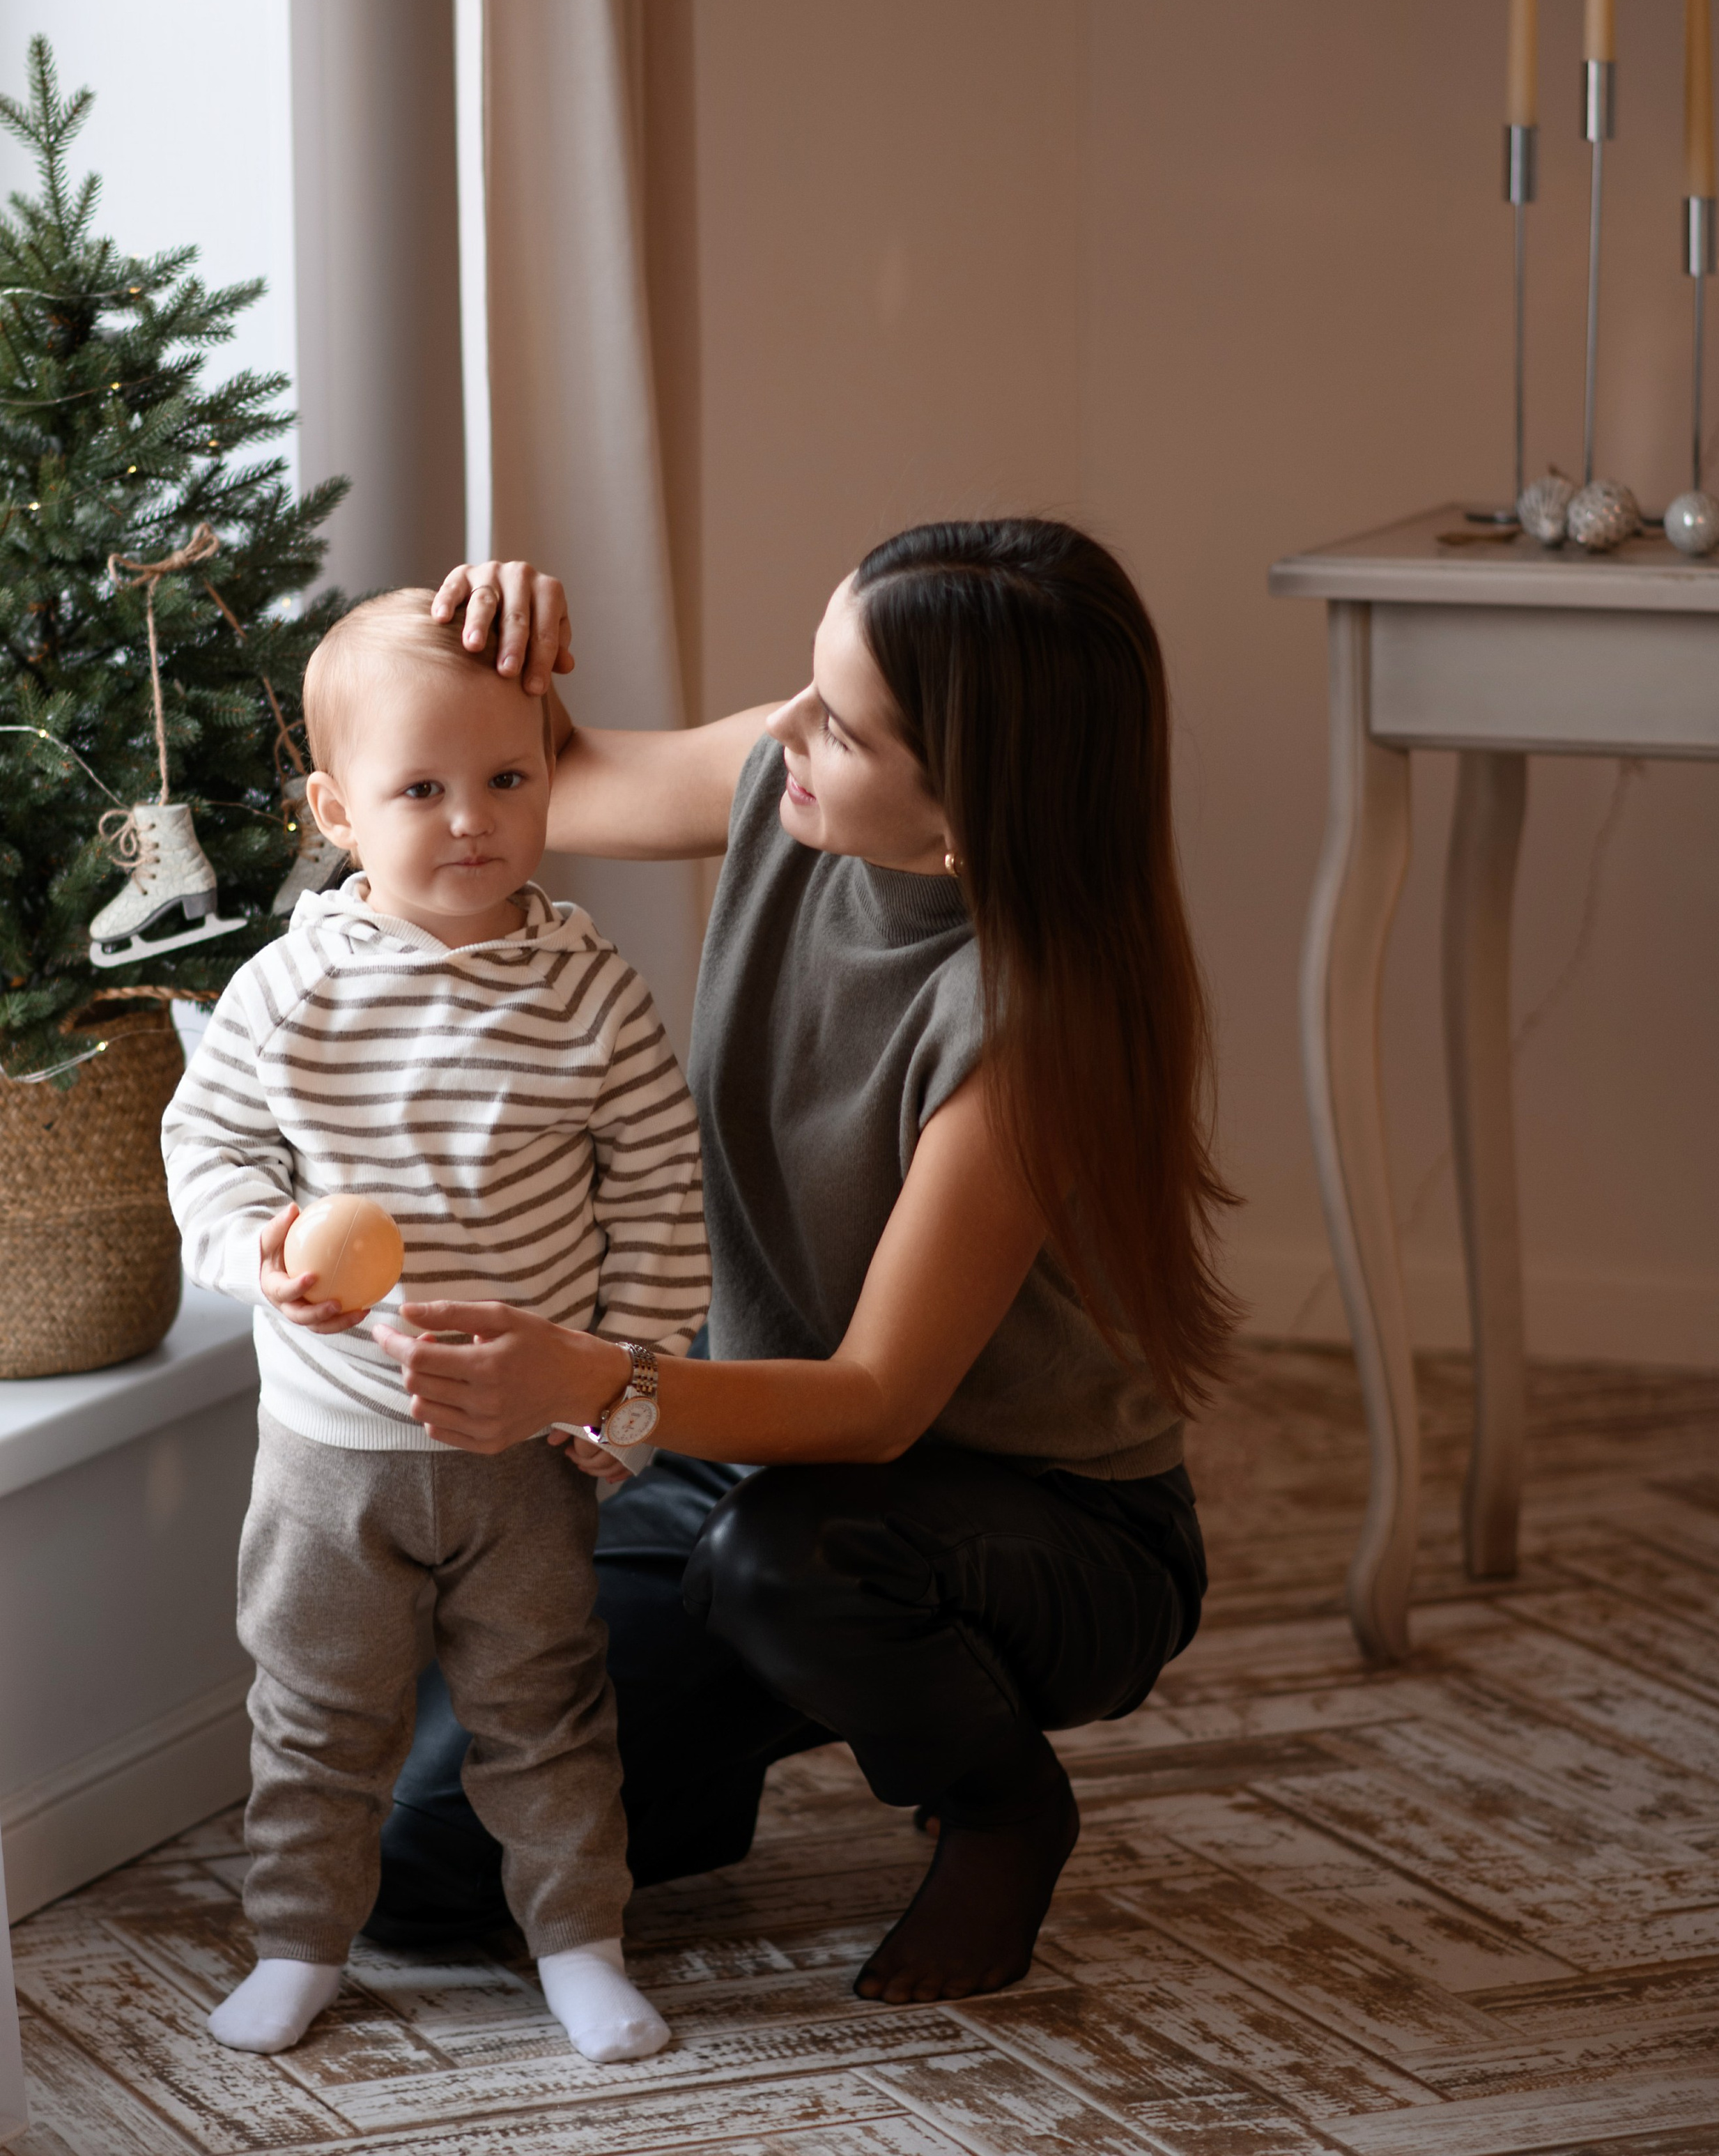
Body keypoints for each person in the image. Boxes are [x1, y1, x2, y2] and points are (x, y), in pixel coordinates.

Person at [372, 518, 1237, 2005]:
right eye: (807, 682)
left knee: (789, 1568)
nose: (782, 728)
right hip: (758, 1459)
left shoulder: (1027, 1020)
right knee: (415, 1866)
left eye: (838, 721)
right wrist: (486, 645)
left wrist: (588, 1381)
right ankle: (703, 1768)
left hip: (1045, 1527)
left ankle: (1000, 1806)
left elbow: (878, 1405)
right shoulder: (794, 786)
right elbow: (549, 777)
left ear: (966, 802)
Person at [162, 592, 709, 2061]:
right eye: (420, 790)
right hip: (329, 1452)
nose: (471, 820)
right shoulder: (290, 989)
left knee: (547, 1711)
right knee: (316, 1717)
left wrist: (624, 1395)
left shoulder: (591, 990)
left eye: (507, 779)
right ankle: (297, 1946)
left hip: (524, 1450)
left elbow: (661, 1192)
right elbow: (207, 1147)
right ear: (338, 813)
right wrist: (258, 1246)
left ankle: (581, 1945)